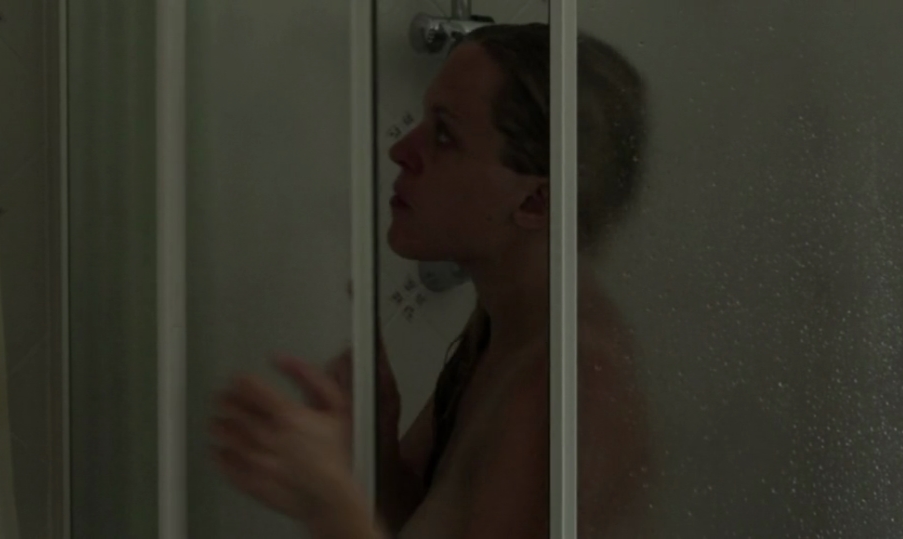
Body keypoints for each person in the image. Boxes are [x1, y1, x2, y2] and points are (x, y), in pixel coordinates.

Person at [210, 23, 650, 539]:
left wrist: (327, 500)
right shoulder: (502, 328)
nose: (401, 150)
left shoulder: (566, 390)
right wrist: (375, 442)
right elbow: (422, 521)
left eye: (444, 135)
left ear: (536, 201)